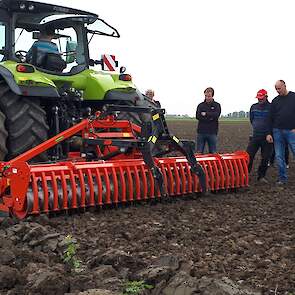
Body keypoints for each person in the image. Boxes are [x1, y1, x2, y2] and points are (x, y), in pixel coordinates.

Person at [267, 80, 295, 185]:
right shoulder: (275, 101)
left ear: (285, 86)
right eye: (276, 89)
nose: (278, 91)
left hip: (291, 131)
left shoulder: (293, 97)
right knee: (279, 156)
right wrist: (269, 133)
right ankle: (282, 178)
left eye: (279, 88)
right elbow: (270, 118)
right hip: (277, 131)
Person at [246, 89, 273, 183]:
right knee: (248, 156)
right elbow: (252, 119)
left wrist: (269, 133)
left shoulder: (271, 107)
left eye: (261, 98)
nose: (259, 100)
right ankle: (246, 174)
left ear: (266, 97)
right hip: (255, 136)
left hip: (267, 137)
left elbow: (272, 122)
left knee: (265, 157)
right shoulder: (253, 107)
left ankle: (261, 176)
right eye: (258, 98)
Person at [195, 87, 221, 154]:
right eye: (206, 96)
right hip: (201, 132)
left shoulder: (217, 105)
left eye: (209, 96)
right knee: (199, 152)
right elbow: (198, 116)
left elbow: (216, 115)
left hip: (212, 132)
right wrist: (210, 118)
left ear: (212, 96)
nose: (207, 98)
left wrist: (206, 114)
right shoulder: (200, 105)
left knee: (213, 152)